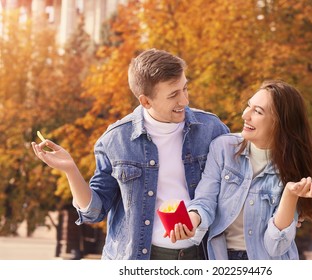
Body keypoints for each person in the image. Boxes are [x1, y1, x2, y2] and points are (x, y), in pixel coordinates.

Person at [31, 48, 230, 260]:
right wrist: (71, 171)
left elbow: (231, 191)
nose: (184, 101)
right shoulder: (116, 140)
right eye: (173, 95)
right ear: (145, 101)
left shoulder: (211, 129)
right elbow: (94, 212)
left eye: (185, 89)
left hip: (200, 257)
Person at [169, 80, 312, 260]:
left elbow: (276, 247)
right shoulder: (223, 148)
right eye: (249, 106)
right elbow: (205, 200)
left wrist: (290, 195)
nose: (245, 115)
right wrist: (193, 220)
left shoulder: (294, 170)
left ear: (280, 123)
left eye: (258, 111)